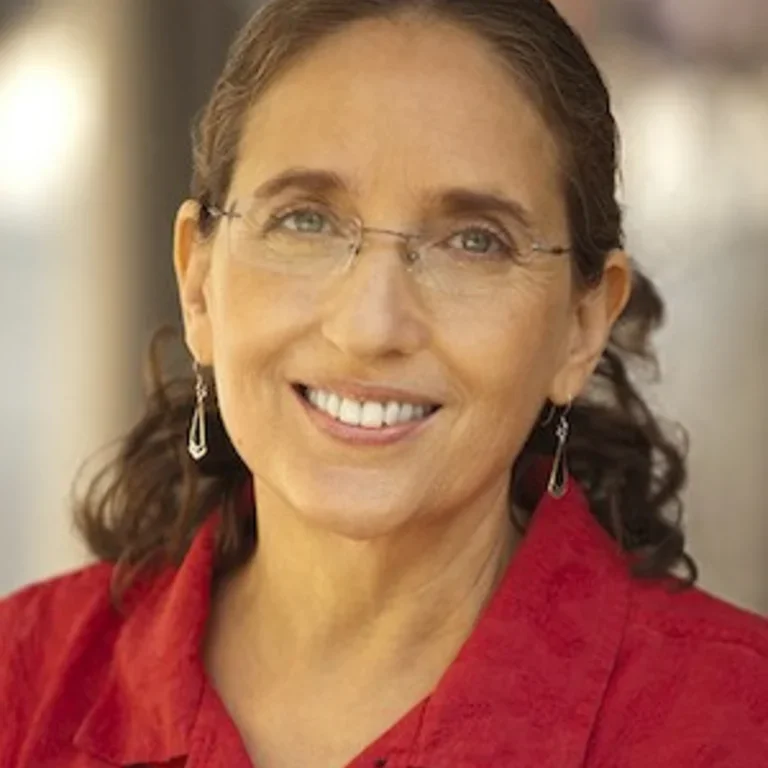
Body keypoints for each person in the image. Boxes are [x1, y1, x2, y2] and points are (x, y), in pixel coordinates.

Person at [2, 0, 766, 765]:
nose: (371, 327)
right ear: (199, 284)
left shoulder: (735, 723)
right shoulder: (21, 687)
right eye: (306, 221)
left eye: (474, 242)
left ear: (583, 326)